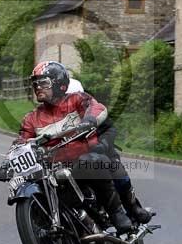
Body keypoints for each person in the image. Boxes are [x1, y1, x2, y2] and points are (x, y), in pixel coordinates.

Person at [63, 69, 152, 224]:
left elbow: (109, 129)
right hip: (71, 162)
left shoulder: (91, 108)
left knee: (117, 173)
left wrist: (101, 145)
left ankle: (134, 208)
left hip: (99, 154)